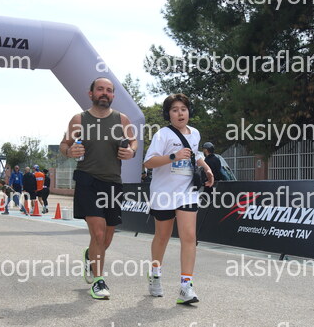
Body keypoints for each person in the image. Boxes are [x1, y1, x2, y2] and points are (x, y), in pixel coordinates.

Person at [60, 77, 137, 300]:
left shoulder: (122, 119)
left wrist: (131, 151)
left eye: (109, 90)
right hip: (88, 181)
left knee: (106, 239)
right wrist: (69, 152)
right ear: (91, 93)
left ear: (113, 95)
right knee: (99, 232)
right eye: (100, 89)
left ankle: (90, 256)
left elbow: (133, 142)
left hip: (113, 183)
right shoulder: (79, 119)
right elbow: (64, 144)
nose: (105, 93)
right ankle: (98, 281)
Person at [143, 93, 214, 304]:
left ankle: (186, 286)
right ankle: (155, 274)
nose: (180, 113)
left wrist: (207, 168)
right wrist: (173, 156)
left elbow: (195, 154)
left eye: (183, 109)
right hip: (164, 193)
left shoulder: (195, 133)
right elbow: (149, 162)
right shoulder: (162, 135)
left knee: (189, 237)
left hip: (187, 191)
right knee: (162, 236)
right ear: (169, 114)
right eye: (175, 110)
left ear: (189, 111)